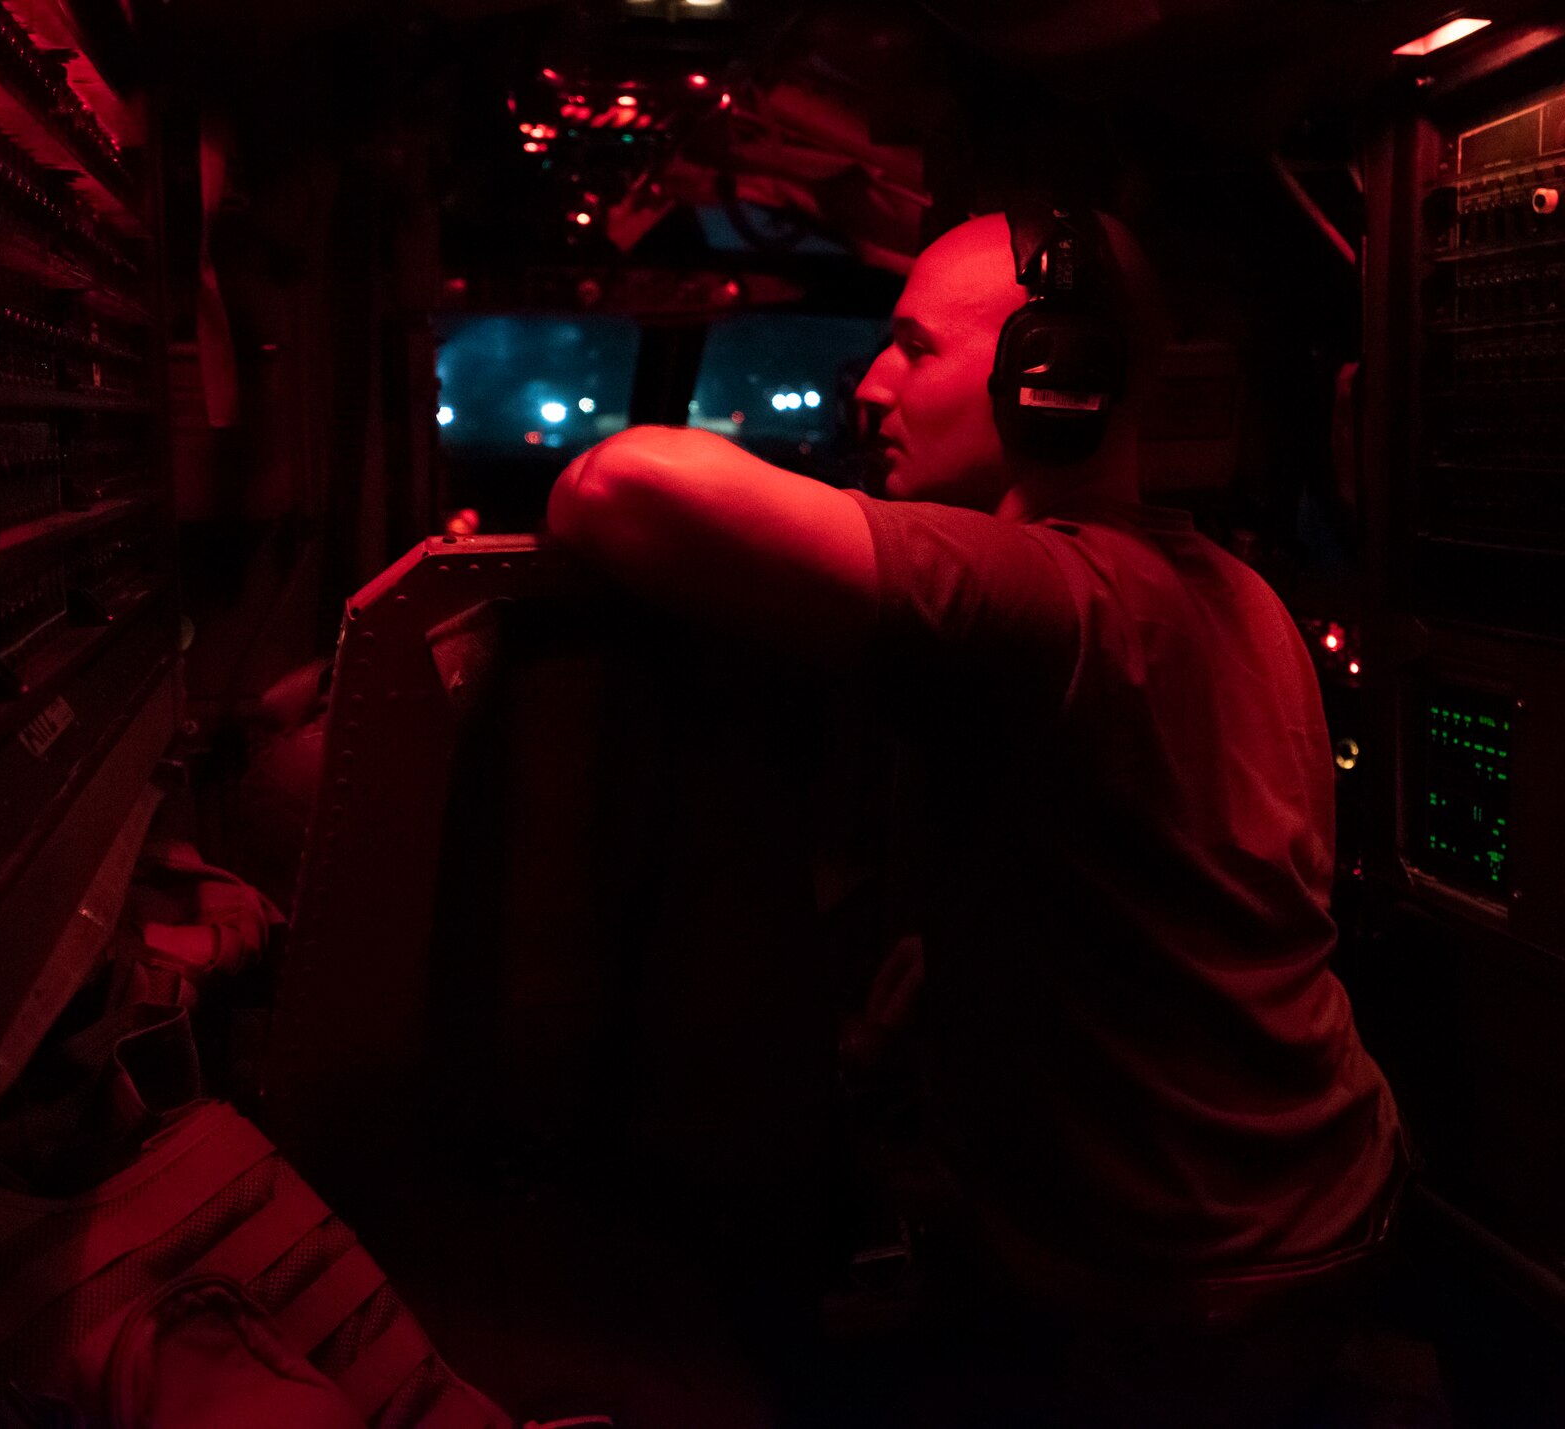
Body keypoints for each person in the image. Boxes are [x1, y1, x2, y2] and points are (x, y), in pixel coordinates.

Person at [545, 208, 1405, 1426]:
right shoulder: (1235, 588)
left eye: (912, 348)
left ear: (1050, 381)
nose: (869, 384)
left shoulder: (1043, 594)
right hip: (1322, 1197)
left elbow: (613, 485)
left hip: (1180, 1286)